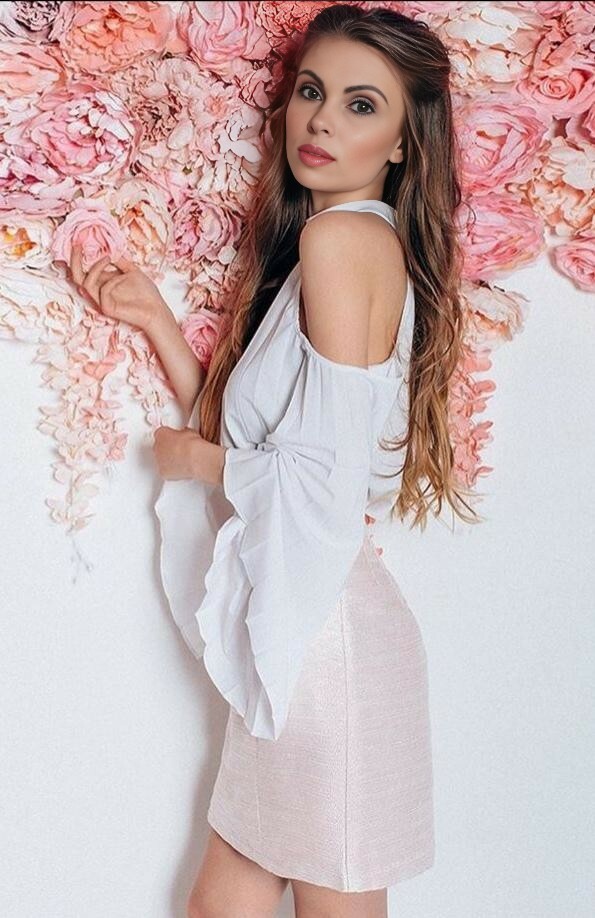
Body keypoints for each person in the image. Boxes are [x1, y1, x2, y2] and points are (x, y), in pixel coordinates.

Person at [68, 5, 480, 916]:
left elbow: (318, 486)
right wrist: (159, 324)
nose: (321, 120)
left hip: (324, 643)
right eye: (310, 91)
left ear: (403, 143)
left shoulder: (342, 243)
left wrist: (197, 463)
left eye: (360, 104)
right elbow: (273, 448)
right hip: (299, 630)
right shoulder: (332, 251)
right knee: (222, 905)